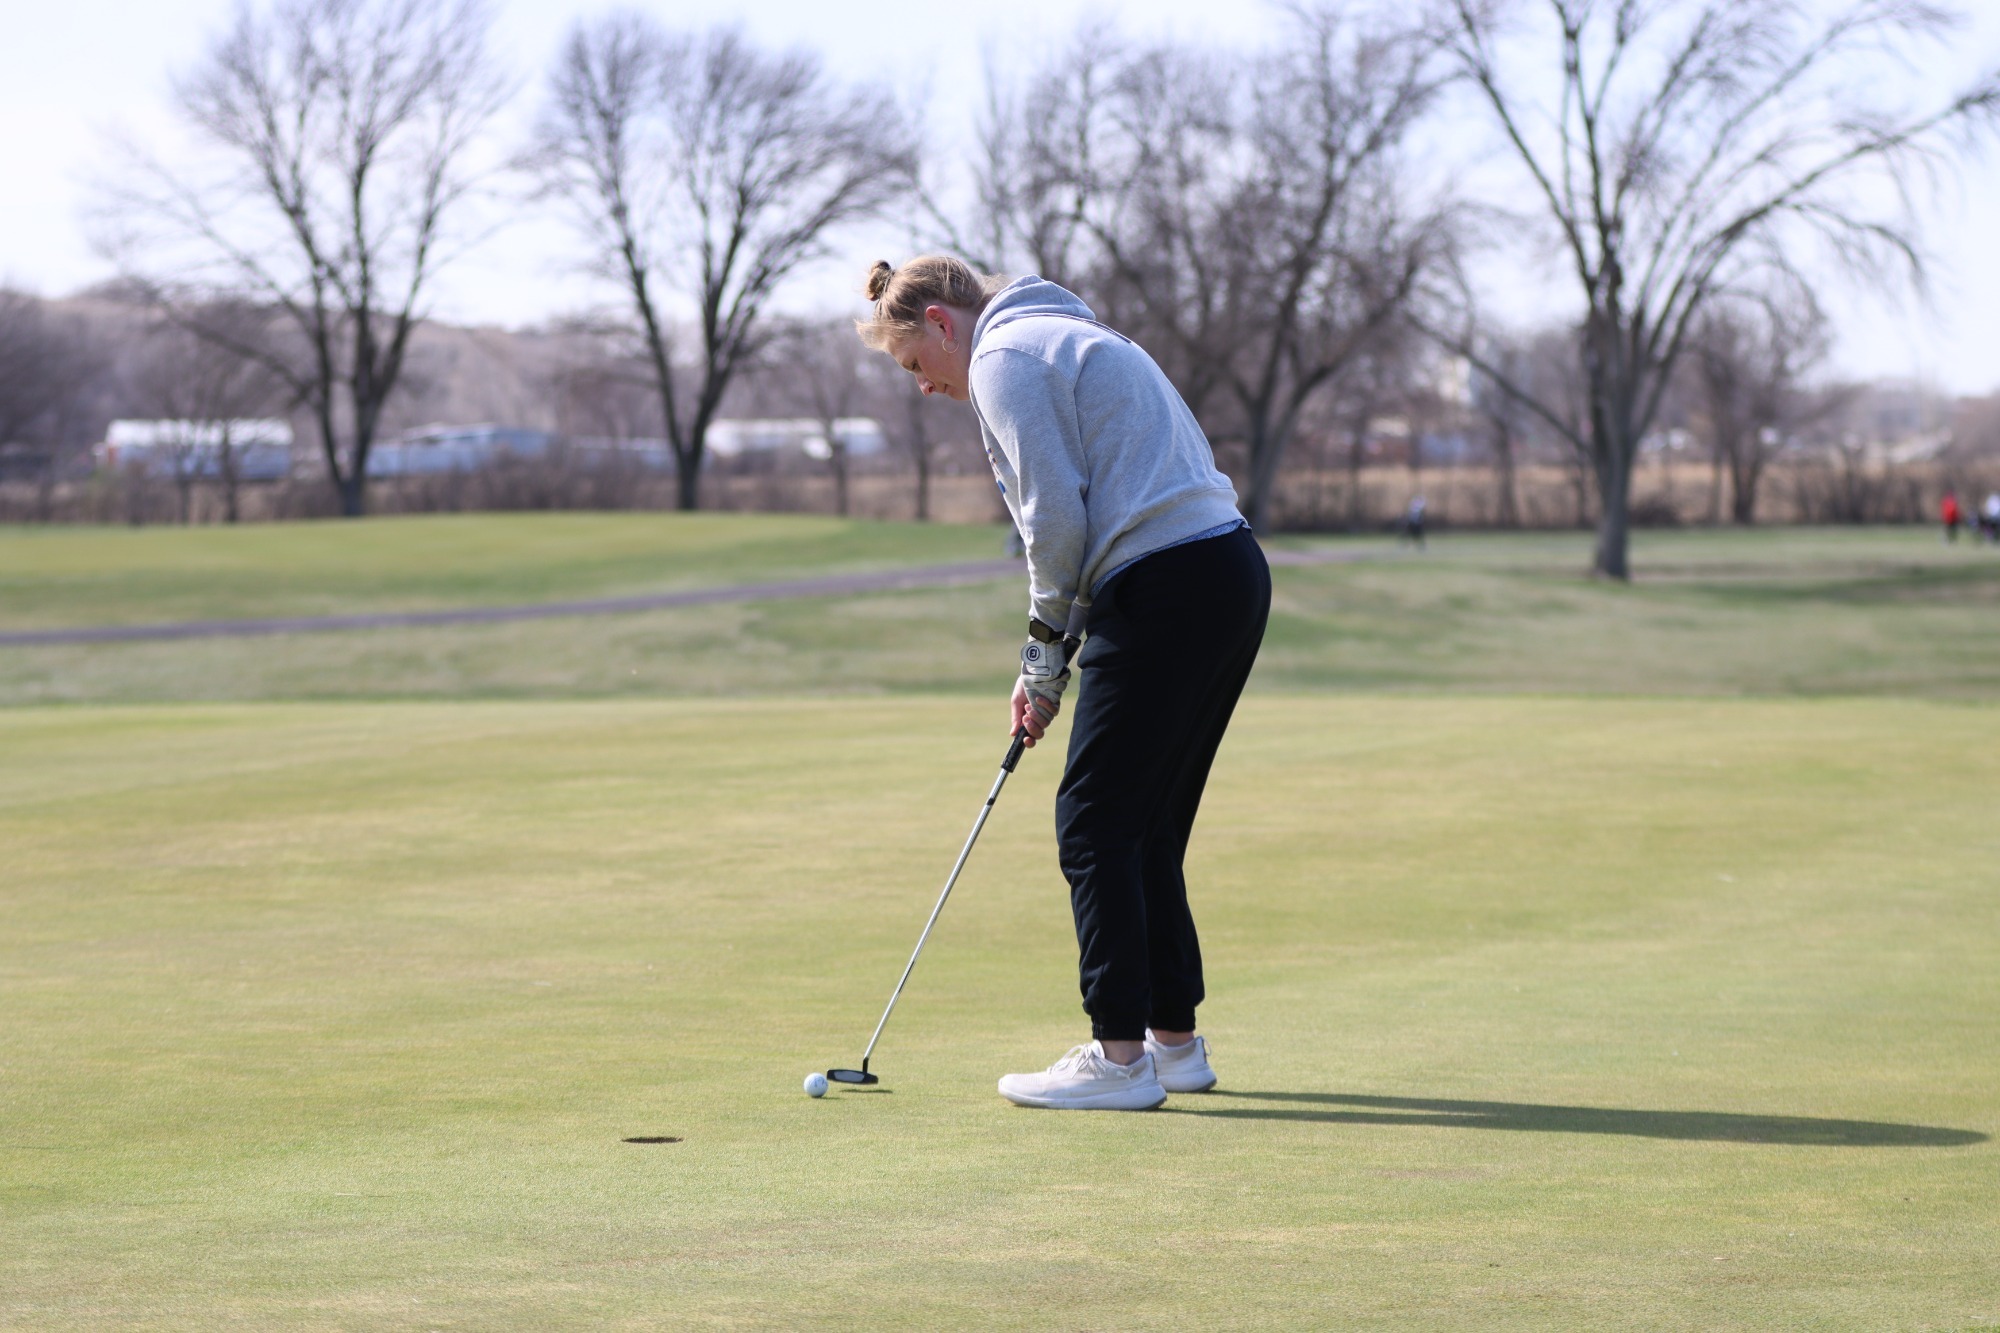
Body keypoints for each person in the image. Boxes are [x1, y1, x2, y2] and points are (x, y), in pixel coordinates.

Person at [855, 255, 1269, 1111]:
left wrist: (1043, 655)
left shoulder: (1007, 357)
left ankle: (1118, 1059)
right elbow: (1086, 520)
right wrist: (1047, 658)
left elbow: (1057, 522)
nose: (924, 386)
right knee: (1144, 824)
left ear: (940, 323)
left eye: (912, 364)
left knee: (1092, 822)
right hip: (1225, 570)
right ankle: (1172, 1041)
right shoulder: (1068, 334)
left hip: (1165, 582)